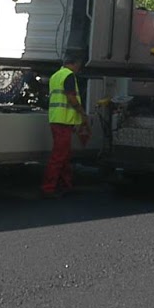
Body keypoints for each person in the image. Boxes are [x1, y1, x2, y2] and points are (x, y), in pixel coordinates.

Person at [42, 50, 90, 198]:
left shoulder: (56, 75)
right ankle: (48, 188)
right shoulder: (69, 76)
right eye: (79, 65)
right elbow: (71, 98)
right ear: (74, 64)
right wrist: (82, 113)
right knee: (59, 156)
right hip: (63, 121)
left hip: (56, 119)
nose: (79, 69)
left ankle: (65, 185)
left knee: (64, 155)